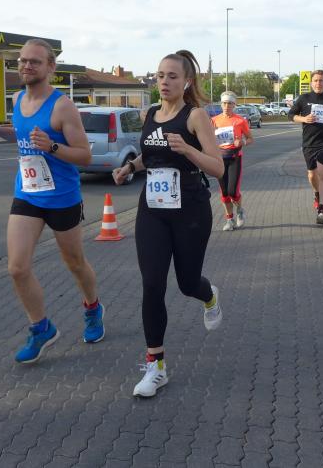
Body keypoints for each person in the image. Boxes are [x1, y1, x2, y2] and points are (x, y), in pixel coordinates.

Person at [0, 38, 104, 364]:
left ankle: (92, 307)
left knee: (75, 263)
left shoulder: (63, 107)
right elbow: (23, 135)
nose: (26, 66)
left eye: (34, 61)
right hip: (28, 193)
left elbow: (85, 156)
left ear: (50, 67)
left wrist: (52, 147)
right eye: (22, 60)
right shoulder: (18, 98)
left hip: (62, 198)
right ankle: (40, 327)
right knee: (17, 267)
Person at [112, 50, 224, 398]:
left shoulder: (196, 116)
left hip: (190, 209)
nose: (164, 81)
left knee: (187, 283)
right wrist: (129, 167)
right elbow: (152, 155)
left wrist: (188, 150)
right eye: (160, 75)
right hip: (153, 210)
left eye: (172, 76)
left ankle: (209, 295)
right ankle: (156, 367)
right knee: (152, 284)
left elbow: (218, 167)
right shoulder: (150, 114)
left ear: (187, 81)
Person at [287, 70, 323, 225]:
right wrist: (304, 119)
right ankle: (316, 193)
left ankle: (322, 209)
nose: (318, 83)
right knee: (312, 174)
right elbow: (291, 115)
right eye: (315, 80)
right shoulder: (304, 98)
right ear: (311, 83)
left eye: (321, 80)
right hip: (309, 142)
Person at [212, 91, 254, 231]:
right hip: (219, 159)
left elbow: (250, 139)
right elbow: (209, 139)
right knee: (224, 193)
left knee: (233, 192)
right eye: (224, 103)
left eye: (230, 103)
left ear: (234, 105)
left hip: (235, 158)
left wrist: (242, 142)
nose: (226, 106)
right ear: (221, 104)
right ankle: (229, 220)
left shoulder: (240, 121)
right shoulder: (214, 120)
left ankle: (240, 210)